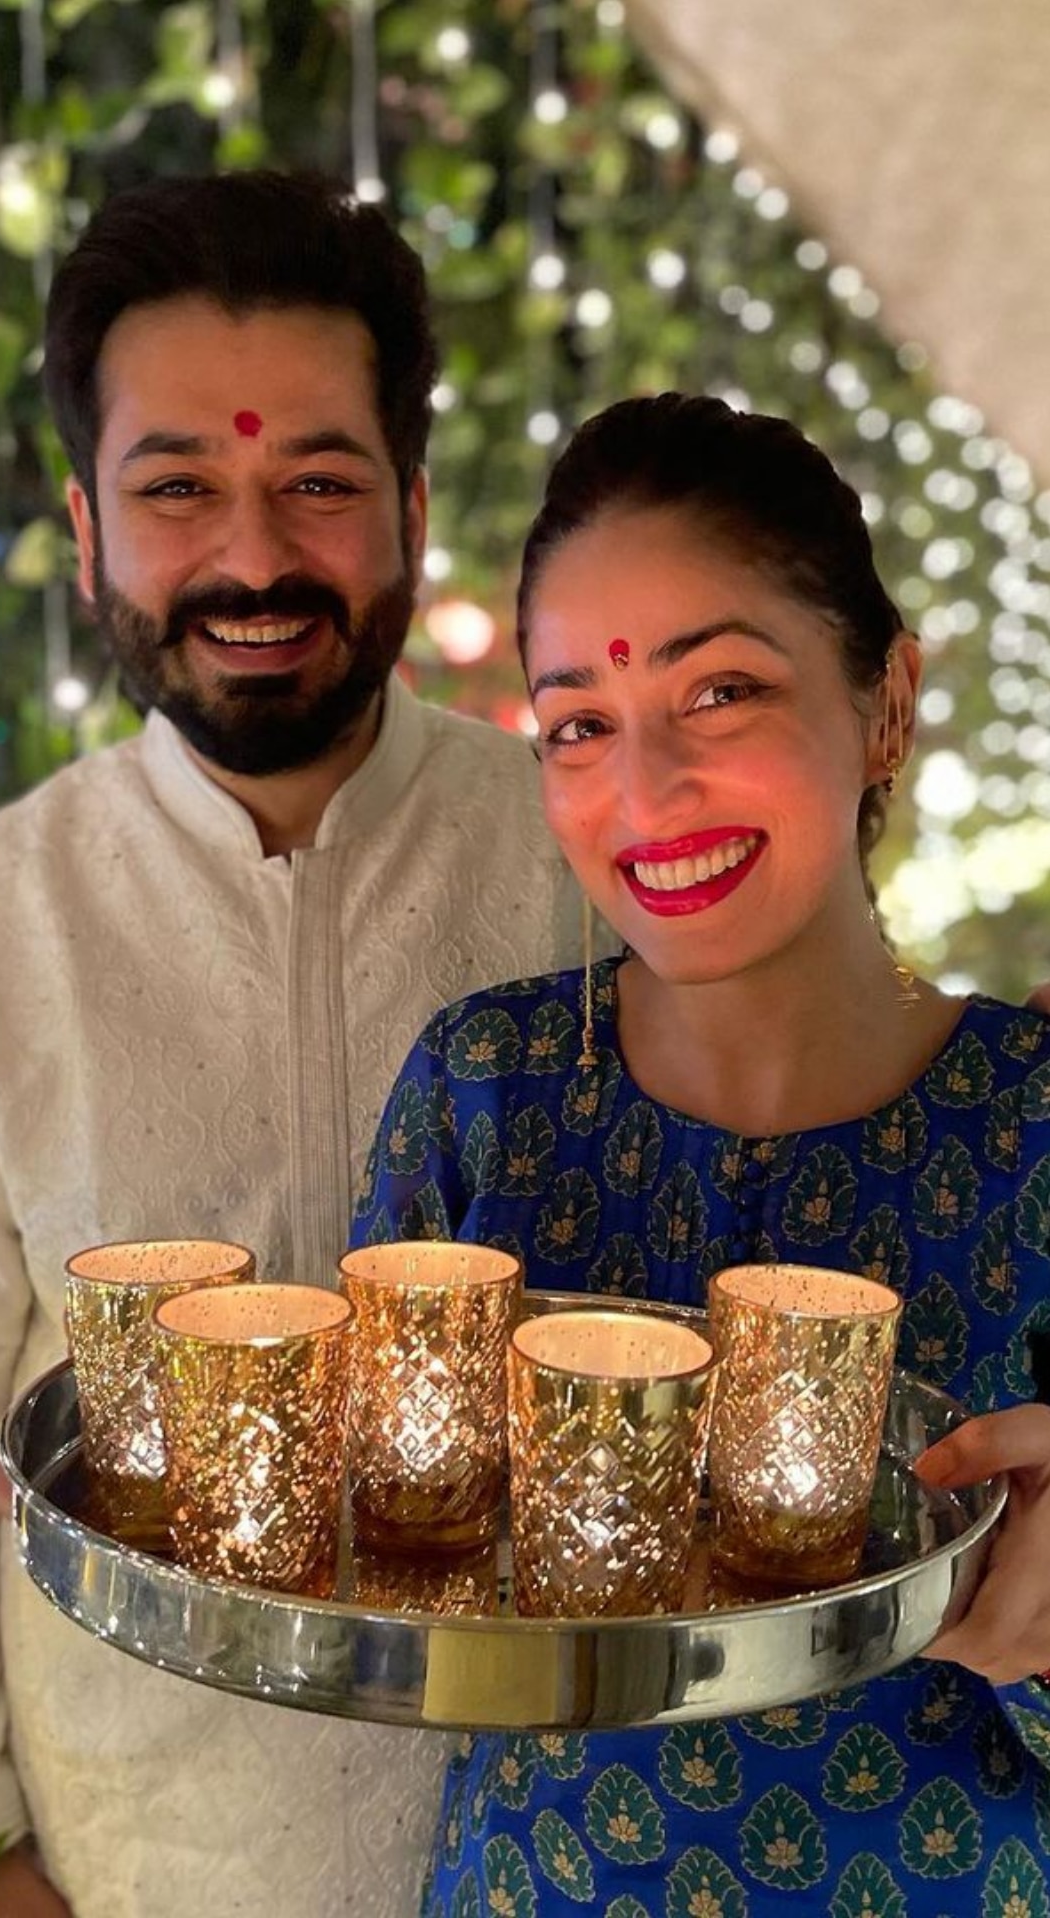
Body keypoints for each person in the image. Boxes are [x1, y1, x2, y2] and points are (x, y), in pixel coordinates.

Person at [0, 170, 596, 1918]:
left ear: (407, 509)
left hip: (561, 1853)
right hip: (138, 1869)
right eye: (179, 489)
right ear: (88, 529)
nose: (254, 560)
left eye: (317, 484)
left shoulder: (582, 856)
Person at [354, 392, 1050, 1915]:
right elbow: (369, 1576)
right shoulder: (486, 1094)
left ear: (886, 704)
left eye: (721, 691)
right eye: (580, 726)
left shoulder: (1037, 1125)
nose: (644, 794)